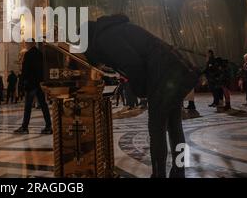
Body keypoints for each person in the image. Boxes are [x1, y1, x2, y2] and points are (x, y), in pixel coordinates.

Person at [82, 15, 199, 178]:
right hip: (176, 70)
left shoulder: (104, 38)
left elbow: (132, 64)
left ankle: (158, 175)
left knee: (157, 130)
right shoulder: (114, 30)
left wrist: (141, 91)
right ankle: (179, 172)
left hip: (162, 75)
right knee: (175, 127)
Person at [14, 42, 53, 135]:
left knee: (28, 107)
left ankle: (24, 127)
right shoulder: (40, 53)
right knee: (43, 105)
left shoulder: (28, 54)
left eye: (27, 44)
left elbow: (25, 69)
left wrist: (22, 81)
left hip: (31, 84)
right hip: (39, 84)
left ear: (29, 44)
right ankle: (48, 126)